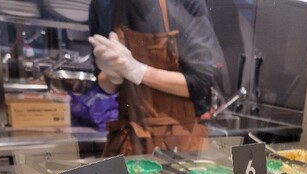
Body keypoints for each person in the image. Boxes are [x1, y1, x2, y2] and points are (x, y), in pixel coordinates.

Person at [88, 0, 221, 155]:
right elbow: (104, 84)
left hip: (179, 145)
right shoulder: (103, 4)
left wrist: (136, 70)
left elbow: (199, 84)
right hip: (130, 144)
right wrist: (113, 74)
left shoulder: (184, 3)